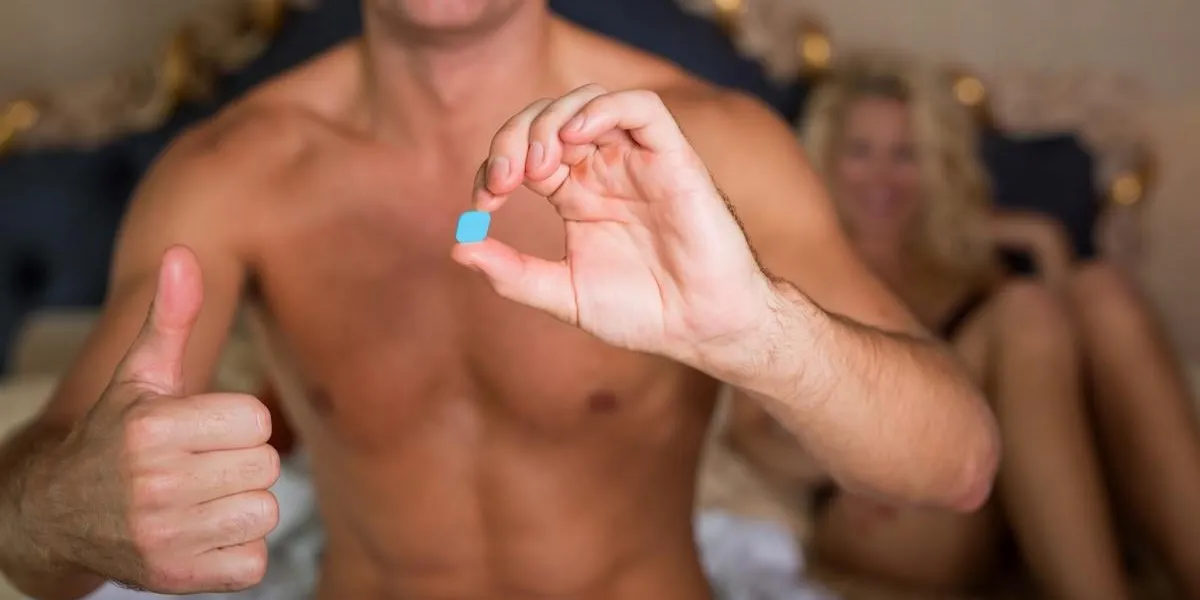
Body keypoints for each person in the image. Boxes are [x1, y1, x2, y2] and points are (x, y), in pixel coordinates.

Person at [0, 3, 1001, 599]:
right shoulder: (230, 173)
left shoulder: (710, 144)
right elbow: (34, 516)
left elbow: (957, 461)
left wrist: (758, 331)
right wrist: (68, 512)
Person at [728, 54, 1200, 600]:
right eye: (860, 152)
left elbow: (1062, 383)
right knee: (1027, 310)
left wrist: (1040, 240)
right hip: (880, 507)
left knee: (1101, 292)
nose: (881, 177)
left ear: (935, 164)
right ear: (827, 158)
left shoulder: (963, 265)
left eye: (905, 154)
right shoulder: (800, 263)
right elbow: (747, 434)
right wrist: (858, 459)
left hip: (999, 498)